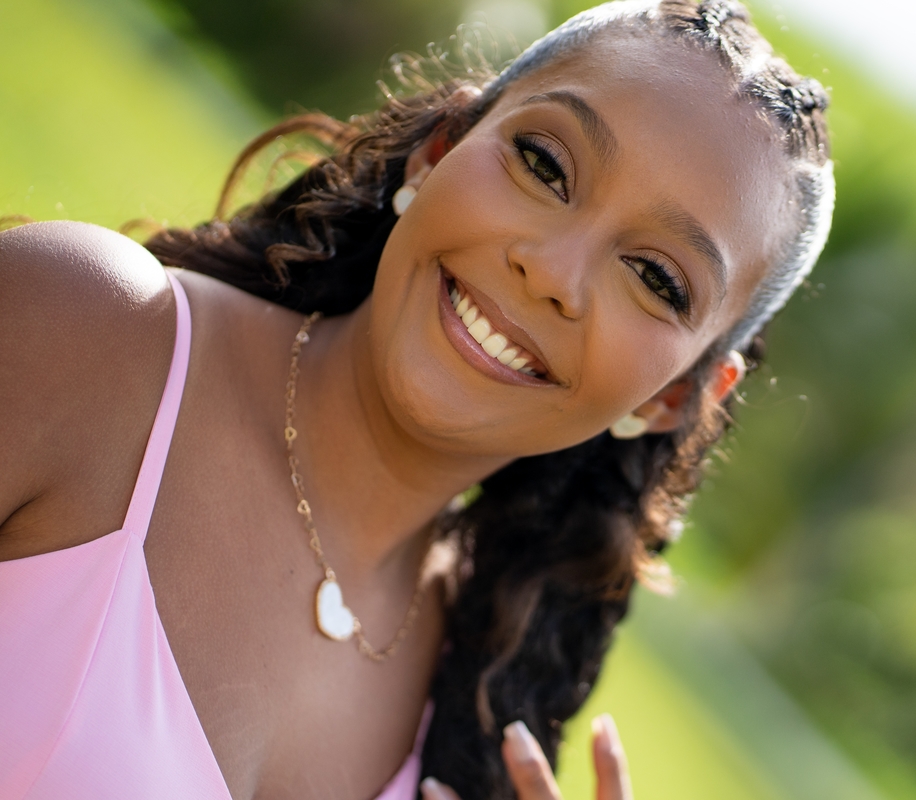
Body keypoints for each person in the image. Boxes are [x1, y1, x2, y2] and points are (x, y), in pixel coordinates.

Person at [0, 0, 832, 797]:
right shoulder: (89, 334)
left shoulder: (468, 727)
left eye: (654, 278)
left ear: (675, 395)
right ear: (439, 151)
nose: (551, 272)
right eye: (545, 165)